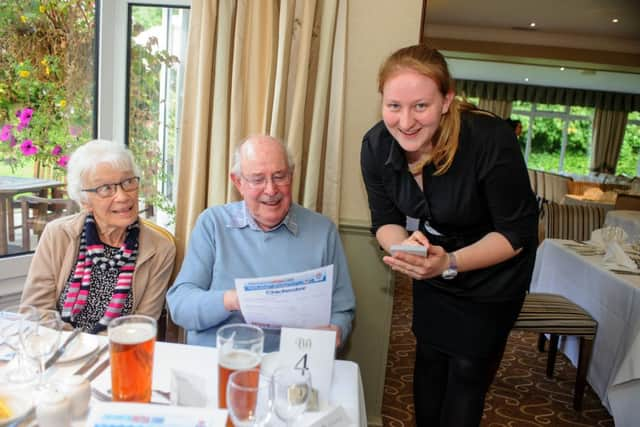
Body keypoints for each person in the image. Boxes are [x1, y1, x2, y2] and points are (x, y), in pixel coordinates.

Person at [360, 44, 538, 426]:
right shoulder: (375, 147)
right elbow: (384, 221)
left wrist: (450, 263)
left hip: (493, 269)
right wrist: (403, 246)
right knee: (429, 358)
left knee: (468, 372)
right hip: (435, 263)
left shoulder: (488, 138)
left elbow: (518, 231)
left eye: (420, 106)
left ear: (446, 100)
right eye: (394, 106)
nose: (405, 122)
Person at [167, 135, 356, 352]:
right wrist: (233, 300)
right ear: (238, 182)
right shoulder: (213, 224)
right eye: (258, 179)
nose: (270, 190)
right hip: (218, 362)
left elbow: (342, 308)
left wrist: (336, 329)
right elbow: (180, 305)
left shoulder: (323, 231)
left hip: (290, 367)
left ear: (291, 176)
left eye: (279, 176)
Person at [21, 139, 176, 334]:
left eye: (128, 182)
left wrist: (95, 349)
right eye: (105, 188)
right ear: (84, 201)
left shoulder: (160, 248)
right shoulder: (57, 235)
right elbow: (35, 312)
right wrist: (74, 347)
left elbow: (142, 325)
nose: (122, 196)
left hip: (118, 353)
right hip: (58, 350)